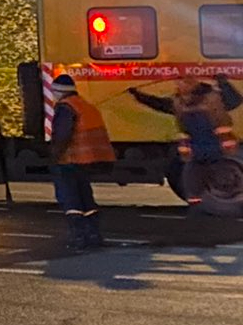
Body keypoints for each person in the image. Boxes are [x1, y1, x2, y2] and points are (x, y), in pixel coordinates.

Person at [128, 76, 240, 213]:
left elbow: (234, 100)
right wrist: (138, 96)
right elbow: (161, 104)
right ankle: (197, 203)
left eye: (182, 84)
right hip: (197, 144)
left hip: (214, 142)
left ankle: (205, 202)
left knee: (212, 170)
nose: (178, 87)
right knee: (191, 175)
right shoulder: (180, 101)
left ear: (192, 85)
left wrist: (224, 83)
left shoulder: (211, 97)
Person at [46, 73, 113, 249]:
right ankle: (93, 235)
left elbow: (62, 135)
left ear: (59, 92)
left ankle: (78, 237)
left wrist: (54, 157)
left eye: (54, 92)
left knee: (70, 198)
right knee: (86, 197)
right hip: (87, 159)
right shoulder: (86, 106)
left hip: (70, 159)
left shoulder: (65, 107)